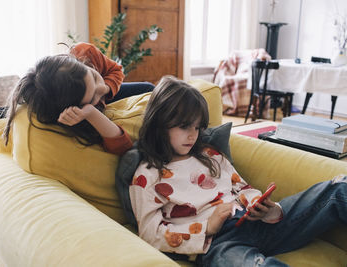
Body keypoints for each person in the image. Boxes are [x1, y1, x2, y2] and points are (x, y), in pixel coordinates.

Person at [128, 75, 347, 266]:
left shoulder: (210, 155)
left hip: (255, 222)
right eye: (184, 126)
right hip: (218, 243)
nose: (193, 135)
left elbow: (242, 187)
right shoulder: (147, 176)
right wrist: (207, 228)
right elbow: (149, 233)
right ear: (159, 124)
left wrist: (262, 207)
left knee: (337, 190)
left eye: (197, 127)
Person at [3, 54, 132, 155]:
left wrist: (109, 87)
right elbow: (124, 148)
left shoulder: (86, 53)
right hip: (101, 104)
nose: (102, 88)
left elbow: (115, 71)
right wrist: (91, 113)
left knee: (147, 87)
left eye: (94, 76)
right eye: (93, 97)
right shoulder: (78, 111)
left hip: (115, 88)